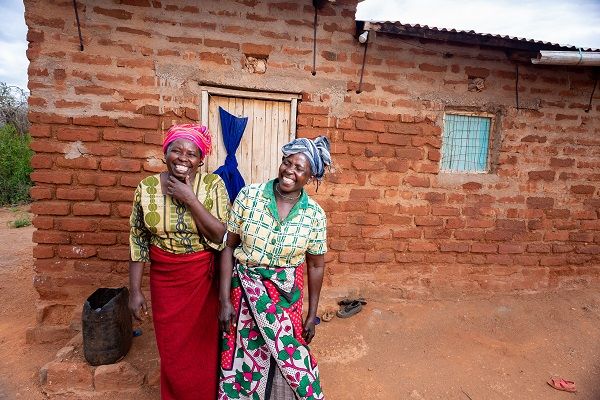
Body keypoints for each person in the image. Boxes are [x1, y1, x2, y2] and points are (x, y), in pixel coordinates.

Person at [218, 136, 331, 400]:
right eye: (286, 163)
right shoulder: (249, 197)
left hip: (286, 296)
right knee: (244, 356)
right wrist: (224, 299)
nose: (289, 171)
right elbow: (228, 247)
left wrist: (312, 314)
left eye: (299, 168)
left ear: (310, 175)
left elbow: (316, 265)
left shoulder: (314, 215)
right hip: (244, 291)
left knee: (290, 357)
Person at [128, 124, 228, 400]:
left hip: (203, 280)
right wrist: (135, 291)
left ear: (201, 159)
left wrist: (189, 198)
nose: (183, 158)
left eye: (192, 154)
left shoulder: (212, 185)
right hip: (165, 280)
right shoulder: (146, 189)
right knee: (171, 349)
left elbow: (221, 234)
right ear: (165, 153)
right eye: (176, 150)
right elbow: (138, 239)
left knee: (204, 349)